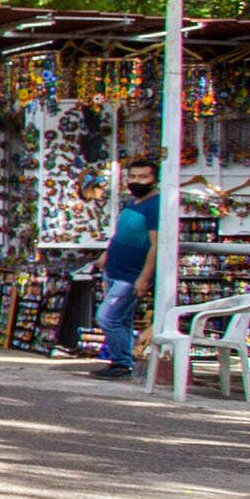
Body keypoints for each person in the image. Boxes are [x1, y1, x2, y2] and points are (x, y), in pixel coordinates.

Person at [93, 162, 160, 378]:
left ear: (154, 179)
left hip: (132, 274)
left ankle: (122, 363)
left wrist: (144, 278)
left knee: (107, 317)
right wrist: (106, 254)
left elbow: (156, 245)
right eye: (132, 177)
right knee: (122, 319)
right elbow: (120, 233)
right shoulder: (133, 202)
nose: (136, 181)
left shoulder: (155, 206)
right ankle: (121, 361)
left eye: (143, 177)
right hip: (114, 268)